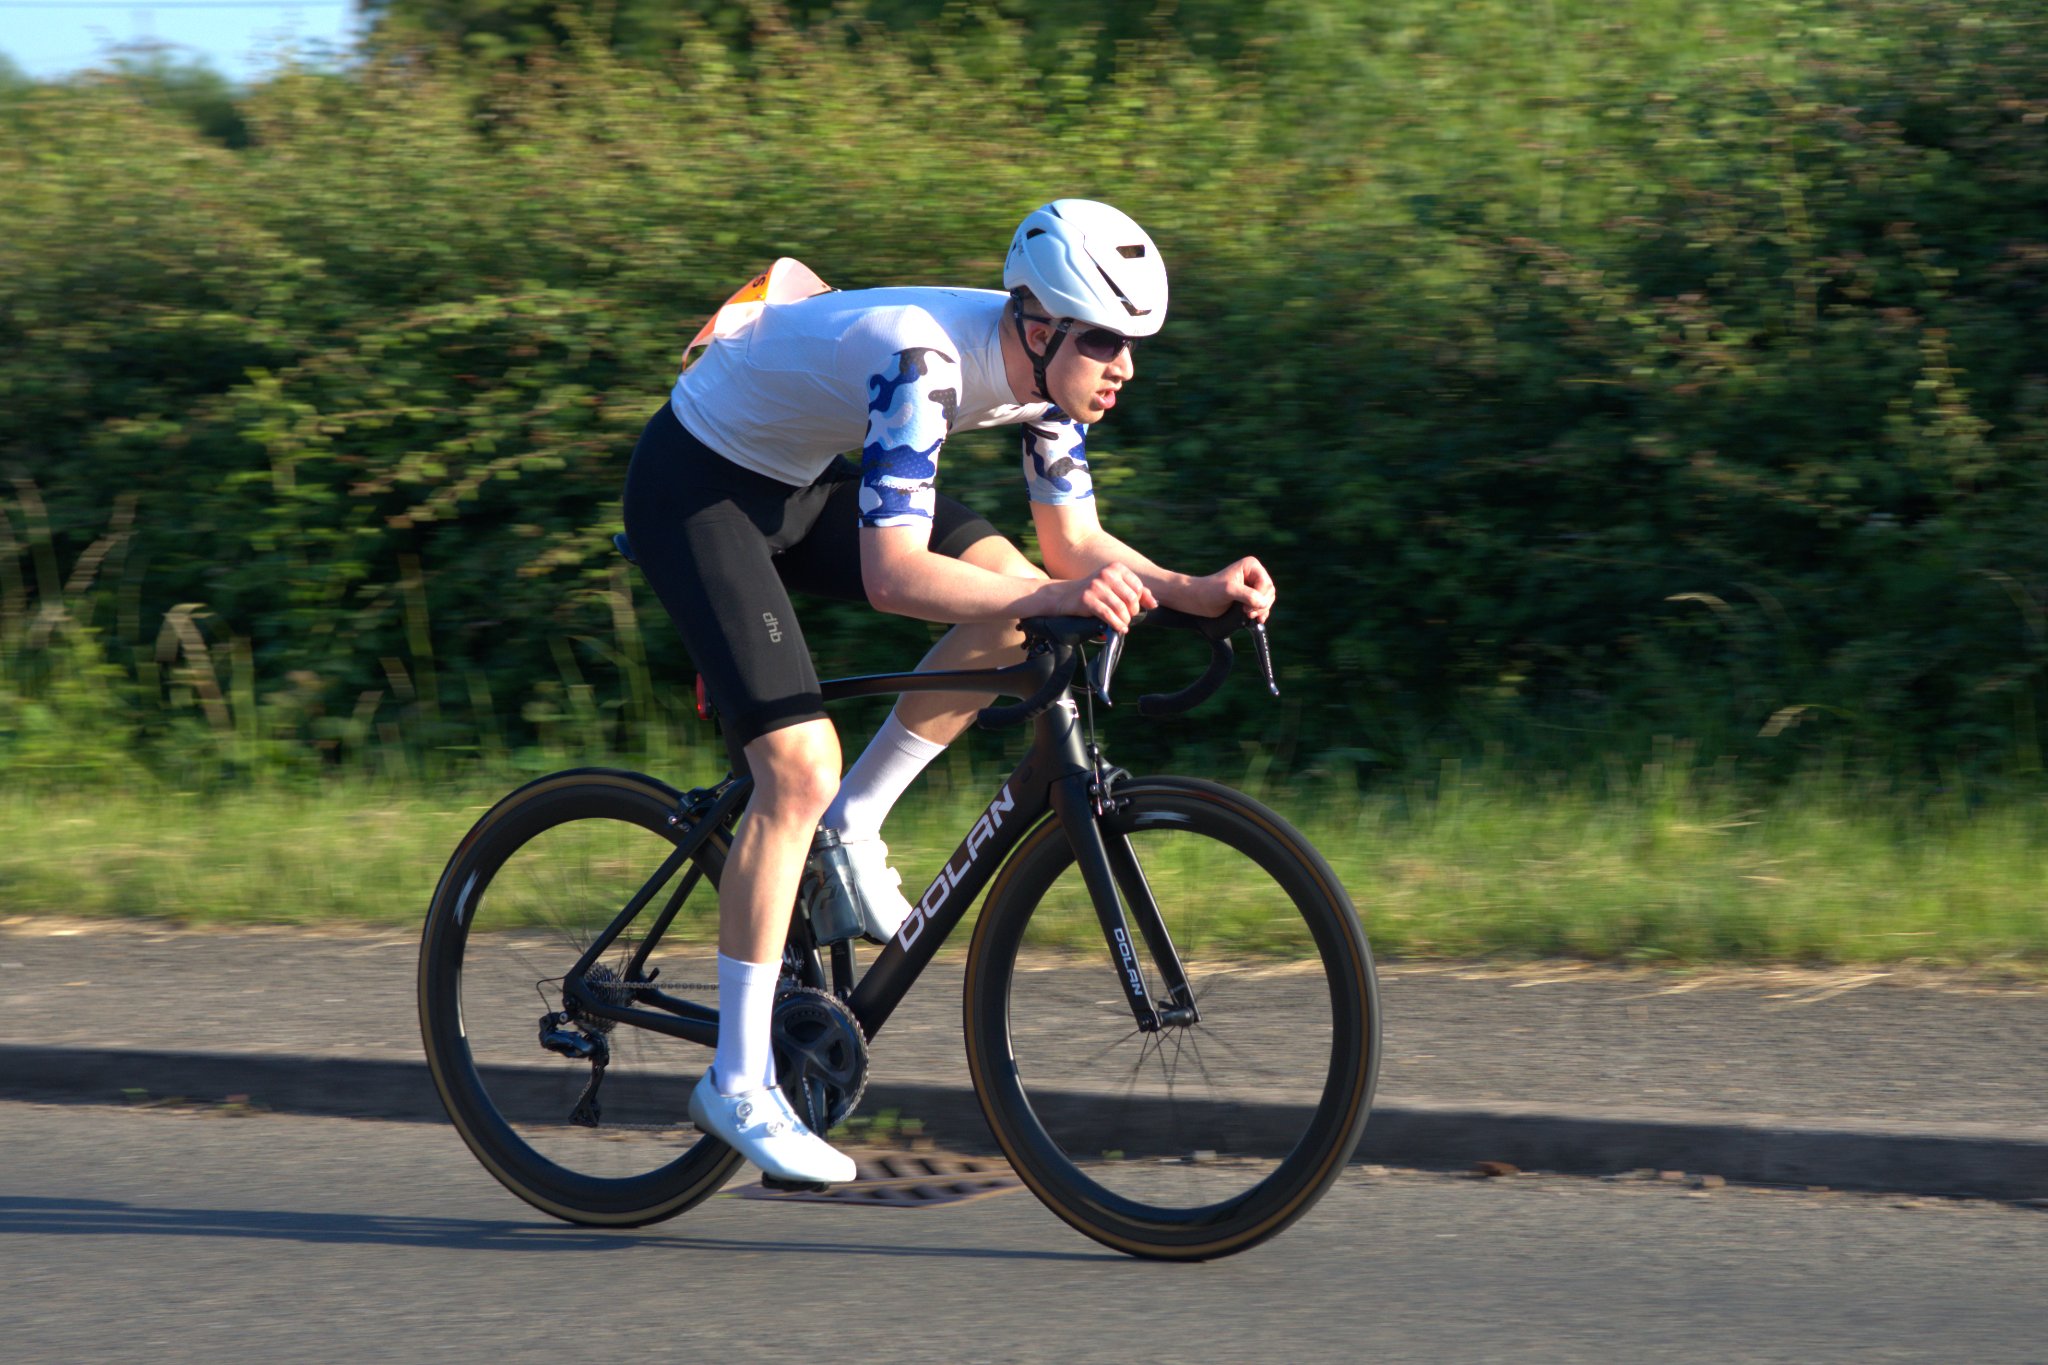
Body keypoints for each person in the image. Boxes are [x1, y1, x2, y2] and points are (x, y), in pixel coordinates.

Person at [621, 199, 1276, 1183]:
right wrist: (1055, 592)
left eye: (1133, 345)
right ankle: (739, 1079)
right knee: (794, 769)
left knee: (1015, 589)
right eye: (1106, 343)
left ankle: (855, 824)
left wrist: (1193, 591)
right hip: (697, 491)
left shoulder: (1050, 380)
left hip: (796, 477)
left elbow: (1072, 550)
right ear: (1039, 324)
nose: (1124, 369)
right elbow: (893, 578)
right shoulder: (923, 364)